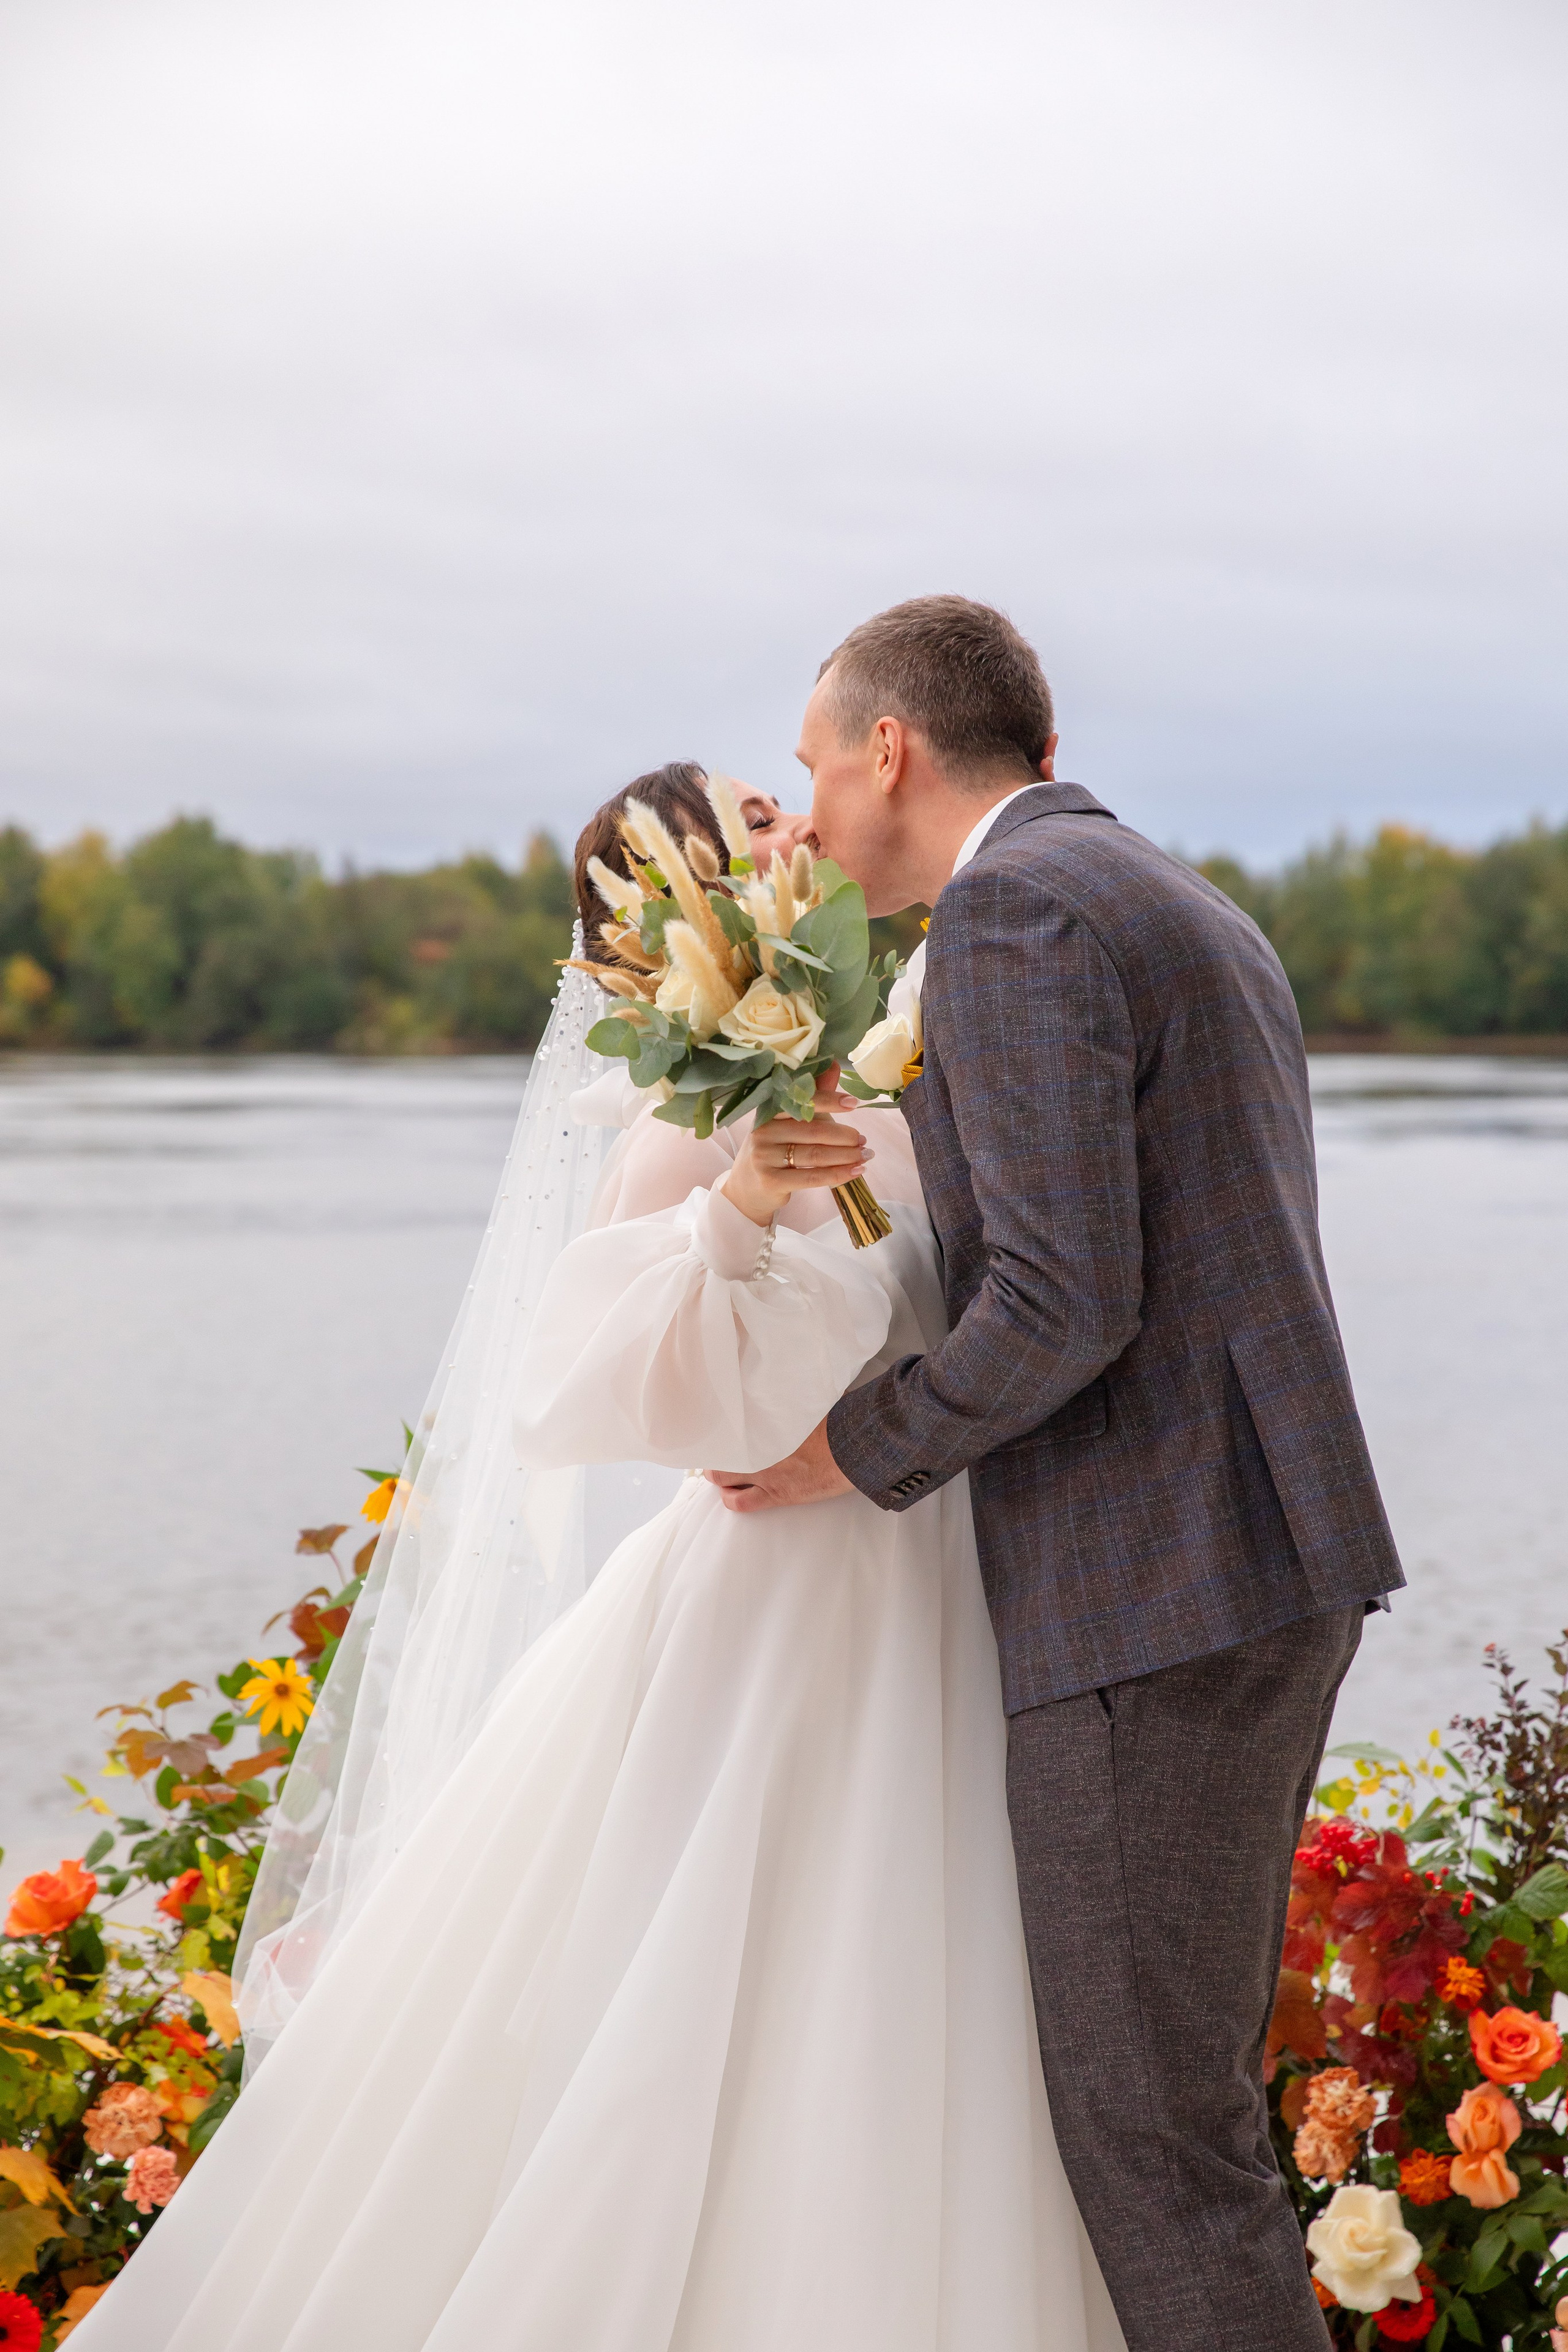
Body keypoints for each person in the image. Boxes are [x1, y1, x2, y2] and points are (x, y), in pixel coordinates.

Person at [70, 758, 1124, 2351]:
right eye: (758, 816)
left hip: (948, 1582)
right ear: (696, 897)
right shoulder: (682, 1121)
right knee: (747, 1989)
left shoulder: (896, 1070)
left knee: (937, 1990)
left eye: (787, 797)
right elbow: (613, 1389)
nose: (799, 819)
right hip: (788, 1603)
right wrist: (740, 1208)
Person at [711, 596, 1405, 2352]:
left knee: (1153, 2144)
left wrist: (846, 1451)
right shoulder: (1172, 893)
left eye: (813, 762)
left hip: (1147, 1587)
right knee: (1185, 2122)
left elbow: (1062, 1297)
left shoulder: (1012, 912)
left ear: (890, 750)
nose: (809, 801)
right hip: (1252, 1558)